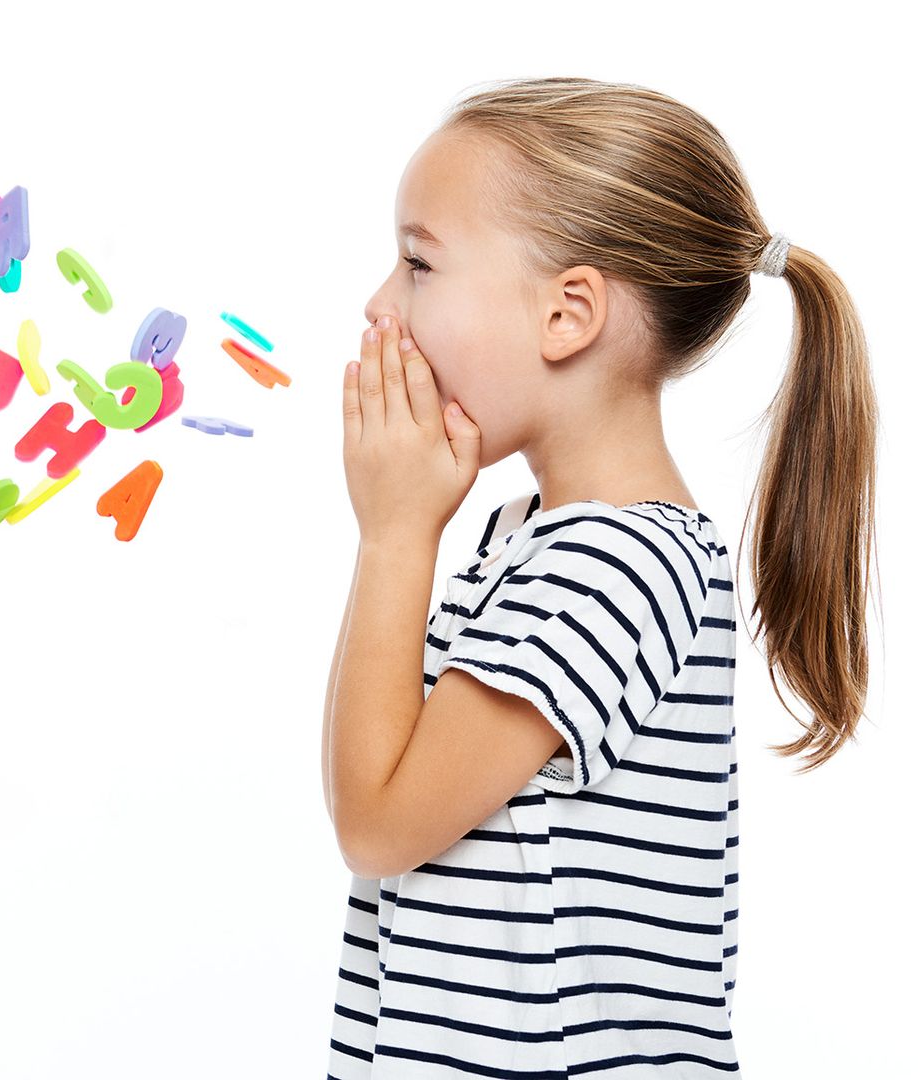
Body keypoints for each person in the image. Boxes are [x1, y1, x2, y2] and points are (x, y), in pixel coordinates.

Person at [322, 76, 880, 1078]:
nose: (376, 305)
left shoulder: (607, 567)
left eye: (416, 264)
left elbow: (378, 822)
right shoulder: (531, 537)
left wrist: (393, 539)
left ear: (567, 314)